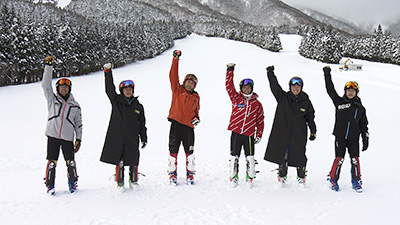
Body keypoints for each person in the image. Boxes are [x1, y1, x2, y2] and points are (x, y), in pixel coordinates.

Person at [264, 66, 317, 185]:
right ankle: (282, 175)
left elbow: (310, 117)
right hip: (283, 132)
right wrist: (270, 73)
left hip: (299, 133)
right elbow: (274, 86)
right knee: (283, 153)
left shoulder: (306, 101)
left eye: (298, 86)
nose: (296, 88)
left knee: (300, 153)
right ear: (290, 87)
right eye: (294, 86)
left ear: (301, 88)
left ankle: (301, 176)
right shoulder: (283, 97)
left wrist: (313, 131)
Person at [100, 63, 147, 189]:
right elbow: (109, 89)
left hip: (132, 137)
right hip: (118, 136)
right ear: (122, 91)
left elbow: (142, 124)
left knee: (133, 159)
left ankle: (133, 181)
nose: (128, 91)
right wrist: (108, 72)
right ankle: (120, 182)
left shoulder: (138, 106)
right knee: (119, 160)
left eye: (130, 89)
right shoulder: (117, 102)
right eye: (126, 89)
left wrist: (144, 138)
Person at [323, 66, 369, 192]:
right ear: (345, 91)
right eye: (348, 90)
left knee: (355, 160)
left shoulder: (360, 108)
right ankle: (333, 179)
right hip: (340, 136)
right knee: (339, 159)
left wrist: (365, 138)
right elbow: (330, 90)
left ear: (356, 92)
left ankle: (356, 181)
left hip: (354, 138)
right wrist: (327, 75)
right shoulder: (339, 102)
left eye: (353, 91)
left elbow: (364, 124)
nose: (350, 92)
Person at [42, 56, 83, 195]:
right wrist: (49, 66)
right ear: (57, 88)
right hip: (53, 134)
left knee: (70, 162)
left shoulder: (75, 105)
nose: (63, 89)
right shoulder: (52, 99)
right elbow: (45, 85)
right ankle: (50, 185)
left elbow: (79, 124)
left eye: (66, 87)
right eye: (61, 87)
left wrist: (79, 139)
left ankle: (73, 183)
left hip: (67, 137)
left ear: (69, 89)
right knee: (52, 162)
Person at [225, 63, 265, 187]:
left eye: (249, 87)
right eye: (244, 87)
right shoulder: (236, 98)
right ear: (241, 88)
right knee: (234, 157)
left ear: (252, 88)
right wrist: (230, 70)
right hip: (236, 132)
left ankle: (250, 177)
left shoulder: (257, 104)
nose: (246, 89)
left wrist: (259, 134)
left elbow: (260, 120)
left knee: (250, 158)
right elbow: (229, 87)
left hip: (249, 135)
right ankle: (234, 177)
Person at [167, 50, 200, 185]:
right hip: (175, 125)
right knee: (173, 151)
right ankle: (172, 173)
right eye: (188, 81)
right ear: (184, 82)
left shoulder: (196, 97)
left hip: (188, 127)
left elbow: (196, 112)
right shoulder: (177, 90)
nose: (189, 84)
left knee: (189, 152)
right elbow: (173, 75)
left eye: (192, 83)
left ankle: (190, 174)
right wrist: (176, 59)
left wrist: (197, 118)